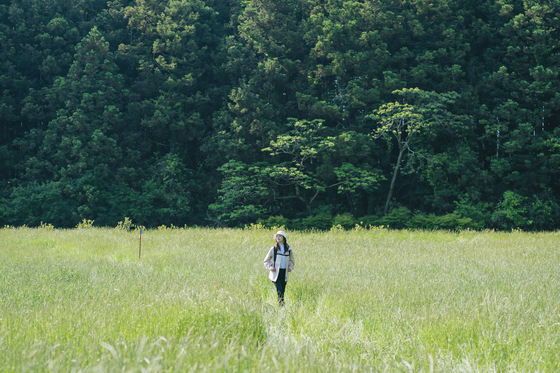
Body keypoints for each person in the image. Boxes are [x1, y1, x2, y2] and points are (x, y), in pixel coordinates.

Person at [263, 230, 295, 306]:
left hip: (284, 273)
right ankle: (281, 305)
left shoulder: (289, 249)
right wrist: (270, 268)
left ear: (284, 238)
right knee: (279, 290)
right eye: (277, 236)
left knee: (283, 291)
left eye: (279, 236)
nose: (278, 237)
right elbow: (265, 261)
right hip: (275, 273)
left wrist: (290, 267)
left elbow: (292, 260)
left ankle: (281, 306)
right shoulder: (273, 249)